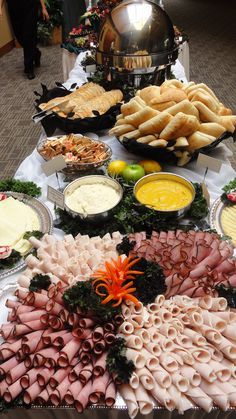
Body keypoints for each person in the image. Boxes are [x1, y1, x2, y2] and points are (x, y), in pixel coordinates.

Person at [0, 0, 49, 79]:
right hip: (13, 8)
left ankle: (29, 68)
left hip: (30, 7)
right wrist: (0, 7)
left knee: (28, 35)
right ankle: (36, 53)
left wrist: (43, 8)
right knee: (19, 37)